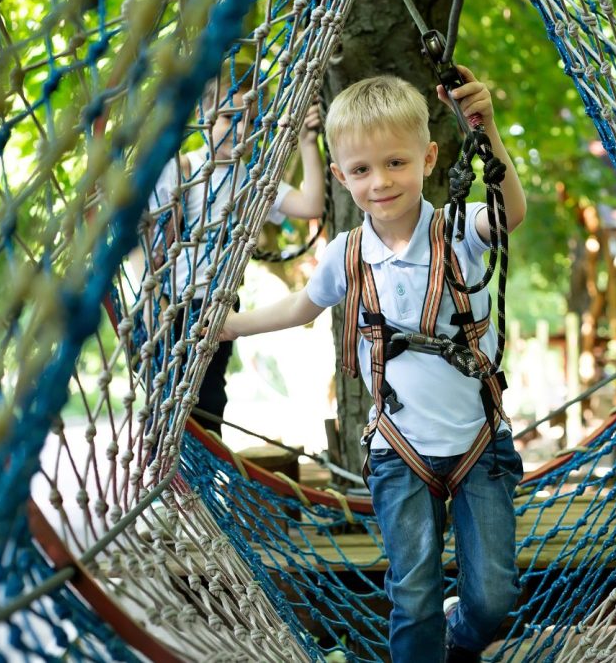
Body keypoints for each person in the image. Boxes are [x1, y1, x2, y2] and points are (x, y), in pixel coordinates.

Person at [214, 68, 527, 662]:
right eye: (360, 170)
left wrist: (486, 132)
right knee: (413, 595)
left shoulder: (459, 230)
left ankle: (462, 637)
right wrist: (229, 325)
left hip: (478, 445)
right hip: (398, 450)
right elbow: (300, 306)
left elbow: (509, 211)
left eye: (395, 163)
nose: (380, 182)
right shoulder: (346, 254)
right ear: (339, 177)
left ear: (430, 158)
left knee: (493, 596)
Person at [141, 55, 325, 436]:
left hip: (218, 306)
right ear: (203, 114)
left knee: (208, 399)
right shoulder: (184, 169)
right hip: (171, 303)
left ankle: (199, 483)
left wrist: (308, 143)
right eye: (229, 118)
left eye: (251, 122)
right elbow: (151, 245)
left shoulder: (254, 179)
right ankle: (178, 480)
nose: (239, 132)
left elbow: (310, 206)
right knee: (167, 401)